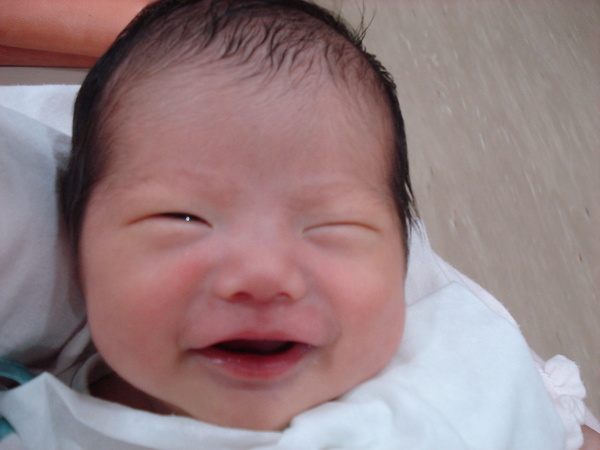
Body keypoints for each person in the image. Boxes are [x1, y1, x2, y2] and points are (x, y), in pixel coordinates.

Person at [0, 0, 598, 448]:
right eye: (182, 217)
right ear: (75, 245)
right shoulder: (37, 414)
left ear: (405, 257)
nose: (262, 276)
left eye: (331, 226)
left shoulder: (465, 384)